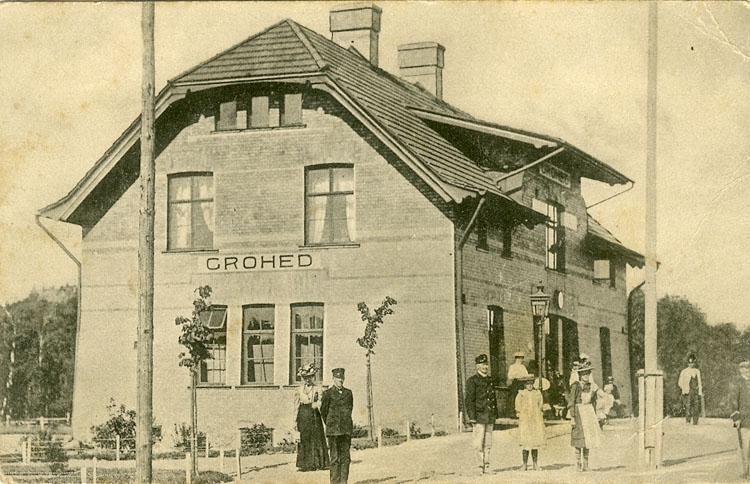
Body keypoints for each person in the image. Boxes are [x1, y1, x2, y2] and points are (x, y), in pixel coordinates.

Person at [465, 353, 498, 474]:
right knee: (478, 442)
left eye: (486, 364)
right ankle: (479, 465)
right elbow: (469, 400)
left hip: (489, 415)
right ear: (477, 366)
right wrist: (472, 416)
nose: (485, 366)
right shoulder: (472, 381)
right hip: (478, 416)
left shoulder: (490, 380)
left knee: (488, 442)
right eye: (483, 364)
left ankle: (487, 464)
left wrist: (495, 414)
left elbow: (493, 398)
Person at [293, 363, 329, 472]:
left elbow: (320, 401)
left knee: (316, 437)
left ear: (313, 377)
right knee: (305, 438)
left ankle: (319, 463)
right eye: (305, 378)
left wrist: (317, 404)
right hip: (303, 415)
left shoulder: (317, 388)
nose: (308, 380)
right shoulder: (298, 390)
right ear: (303, 378)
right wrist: (294, 421)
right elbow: (296, 406)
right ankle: (305, 464)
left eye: (310, 377)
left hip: (314, 415)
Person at [567, 360, 602, 471]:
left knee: (588, 439)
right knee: (579, 438)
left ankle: (586, 464)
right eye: (583, 374)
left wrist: (598, 412)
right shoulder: (575, 386)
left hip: (588, 412)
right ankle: (578, 464)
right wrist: (572, 417)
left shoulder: (591, 386)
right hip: (579, 412)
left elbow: (599, 397)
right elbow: (571, 401)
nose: (586, 376)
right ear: (580, 375)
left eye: (587, 373)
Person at [321, 368, 353, 484]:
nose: (340, 380)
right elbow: (323, 411)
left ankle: (344, 481)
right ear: (333, 379)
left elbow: (350, 409)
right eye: (338, 378)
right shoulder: (328, 393)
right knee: (334, 458)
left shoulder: (348, 393)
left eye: (342, 378)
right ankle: (335, 482)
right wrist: (330, 423)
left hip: (345, 430)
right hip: (333, 430)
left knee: (345, 458)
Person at [515, 375, 546, 470]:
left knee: (534, 442)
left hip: (535, 419)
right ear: (524, 385)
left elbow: (540, 404)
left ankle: (535, 463)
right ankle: (524, 464)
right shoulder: (521, 394)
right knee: (526, 441)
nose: (530, 386)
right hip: (525, 420)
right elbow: (517, 404)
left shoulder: (537, 393)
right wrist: (519, 413)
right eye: (527, 384)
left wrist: (540, 412)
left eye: (531, 384)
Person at [731, 361, 750, 478]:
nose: (748, 372)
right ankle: (745, 471)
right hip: (745, 420)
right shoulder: (737, 384)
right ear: (741, 370)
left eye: (749, 369)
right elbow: (734, 402)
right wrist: (736, 418)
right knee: (746, 447)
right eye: (746, 370)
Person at [678, 353, 703, 425]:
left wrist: (699, 390)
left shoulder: (697, 371)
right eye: (689, 363)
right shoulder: (684, 372)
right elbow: (680, 382)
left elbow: (699, 382)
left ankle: (695, 421)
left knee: (696, 407)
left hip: (695, 391)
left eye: (692, 363)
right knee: (688, 406)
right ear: (687, 363)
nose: (690, 365)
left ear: (694, 363)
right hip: (688, 391)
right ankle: (688, 421)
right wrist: (684, 388)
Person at [507, 351, 529, 416]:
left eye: (521, 358)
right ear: (516, 359)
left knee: (523, 397)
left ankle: (522, 413)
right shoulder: (512, 367)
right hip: (515, 383)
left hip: (522, 384)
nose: (520, 360)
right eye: (519, 358)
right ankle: (512, 414)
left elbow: (526, 375)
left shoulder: (523, 367)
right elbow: (510, 376)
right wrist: (516, 375)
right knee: (513, 397)